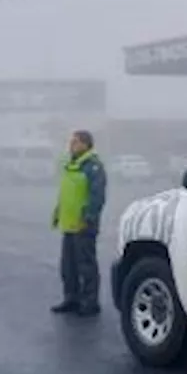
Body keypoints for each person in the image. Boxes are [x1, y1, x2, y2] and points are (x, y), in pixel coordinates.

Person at [51, 130, 107, 316]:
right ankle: (72, 299)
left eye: (75, 142)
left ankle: (90, 302)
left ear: (85, 144)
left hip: (84, 225)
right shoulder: (71, 166)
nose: (71, 145)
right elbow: (66, 194)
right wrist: (58, 213)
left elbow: (97, 196)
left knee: (86, 265)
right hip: (69, 224)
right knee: (68, 265)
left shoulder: (93, 167)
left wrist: (89, 217)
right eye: (71, 142)